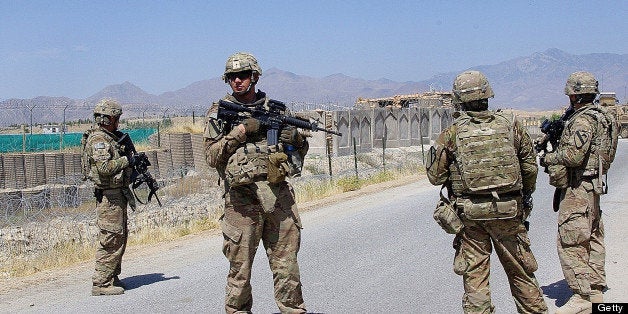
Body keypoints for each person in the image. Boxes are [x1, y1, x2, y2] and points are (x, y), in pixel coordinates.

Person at [426, 70, 548, 313]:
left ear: (459, 100)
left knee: (476, 279)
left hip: (471, 218)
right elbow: (529, 167)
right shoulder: (512, 125)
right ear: (487, 95)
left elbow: (435, 176)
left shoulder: (451, 133)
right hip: (509, 212)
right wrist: (523, 196)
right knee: (521, 273)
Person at [203, 52, 308, 313]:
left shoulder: (277, 110)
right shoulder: (219, 113)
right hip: (241, 202)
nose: (237, 81)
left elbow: (297, 156)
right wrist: (240, 132)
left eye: (242, 76)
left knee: (287, 267)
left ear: (255, 77)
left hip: (278, 198)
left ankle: (293, 310)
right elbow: (210, 156)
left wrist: (296, 139)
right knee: (240, 271)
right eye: (231, 77)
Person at [541, 71, 617, 313]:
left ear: (574, 95)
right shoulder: (604, 117)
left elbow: (574, 156)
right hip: (592, 185)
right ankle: (595, 288)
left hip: (578, 188)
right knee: (593, 236)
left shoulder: (583, 120)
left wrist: (549, 157)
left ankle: (582, 297)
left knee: (571, 240)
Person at [83, 98, 137, 296]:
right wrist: (127, 160)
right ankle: (101, 283)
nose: (118, 122)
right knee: (110, 239)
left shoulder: (111, 138)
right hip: (109, 197)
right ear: (107, 119)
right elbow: (104, 168)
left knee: (119, 237)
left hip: (117, 195)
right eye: (116, 118)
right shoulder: (99, 140)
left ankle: (112, 276)